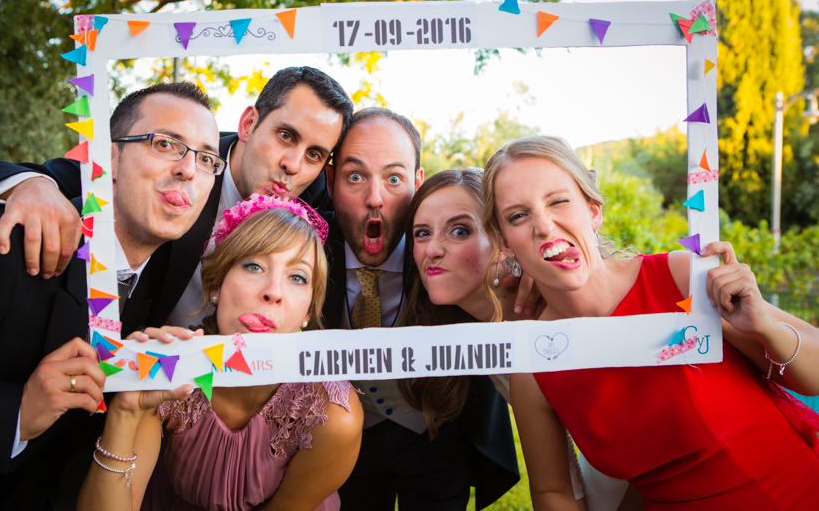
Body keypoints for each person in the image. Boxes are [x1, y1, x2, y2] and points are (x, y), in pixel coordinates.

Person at [0, 82, 221, 509]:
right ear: (109, 158)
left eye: (206, 158)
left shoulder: (153, 283)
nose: (189, 169)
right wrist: (17, 414)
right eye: (166, 143)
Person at [483, 135, 819, 509]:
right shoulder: (534, 361)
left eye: (558, 201)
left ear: (593, 211)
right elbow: (552, 491)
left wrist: (763, 327)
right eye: (518, 215)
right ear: (505, 242)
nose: (543, 226)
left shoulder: (680, 278)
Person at [0, 66, 353, 328]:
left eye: (315, 154)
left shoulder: (312, 211)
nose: (294, 165)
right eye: (286, 136)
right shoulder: (182, 163)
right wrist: (33, 185)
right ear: (249, 122)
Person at [77, 193, 363, 511]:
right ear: (216, 286)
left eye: (297, 277)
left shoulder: (334, 414)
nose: (273, 291)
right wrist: (127, 411)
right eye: (254, 266)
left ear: (309, 310)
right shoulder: (168, 371)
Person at [401, 167, 641, 511]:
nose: (432, 250)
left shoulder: (563, 306)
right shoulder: (486, 334)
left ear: (504, 242)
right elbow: (560, 477)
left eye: (459, 230)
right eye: (422, 233)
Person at [322, 109, 520, 510]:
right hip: (344, 434)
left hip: (438, 430)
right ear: (331, 182)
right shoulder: (308, 245)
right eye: (355, 176)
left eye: (394, 178)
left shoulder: (442, 253)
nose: (375, 197)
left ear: (416, 182)